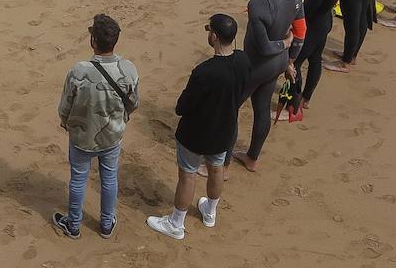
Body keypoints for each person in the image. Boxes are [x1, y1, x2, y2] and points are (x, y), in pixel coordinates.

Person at [146, 14, 249, 241]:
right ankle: (210, 213)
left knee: (188, 176)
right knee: (217, 169)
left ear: (214, 36)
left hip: (196, 134)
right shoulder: (243, 61)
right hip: (224, 131)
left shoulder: (205, 71)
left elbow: (183, 106)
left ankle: (176, 223)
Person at [52, 14, 140, 240]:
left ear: (93, 41)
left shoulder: (79, 71)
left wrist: (67, 124)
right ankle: (107, 223)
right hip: (111, 135)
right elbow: (134, 103)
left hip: (82, 136)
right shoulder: (128, 69)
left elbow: (65, 107)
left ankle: (73, 225)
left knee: (79, 179)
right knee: (109, 179)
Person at [230, 0, 303, 173]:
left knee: (231, 109)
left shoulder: (258, 3)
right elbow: (300, 31)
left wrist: (285, 44)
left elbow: (263, 46)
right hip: (278, 63)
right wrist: (290, 59)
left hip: (256, 64)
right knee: (261, 109)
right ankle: (252, 157)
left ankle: (221, 166)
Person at [293, 0, 343, 110]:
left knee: (294, 64)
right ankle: (305, 99)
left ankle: (293, 106)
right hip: (324, 22)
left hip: (313, 27)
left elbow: (307, 10)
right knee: (315, 60)